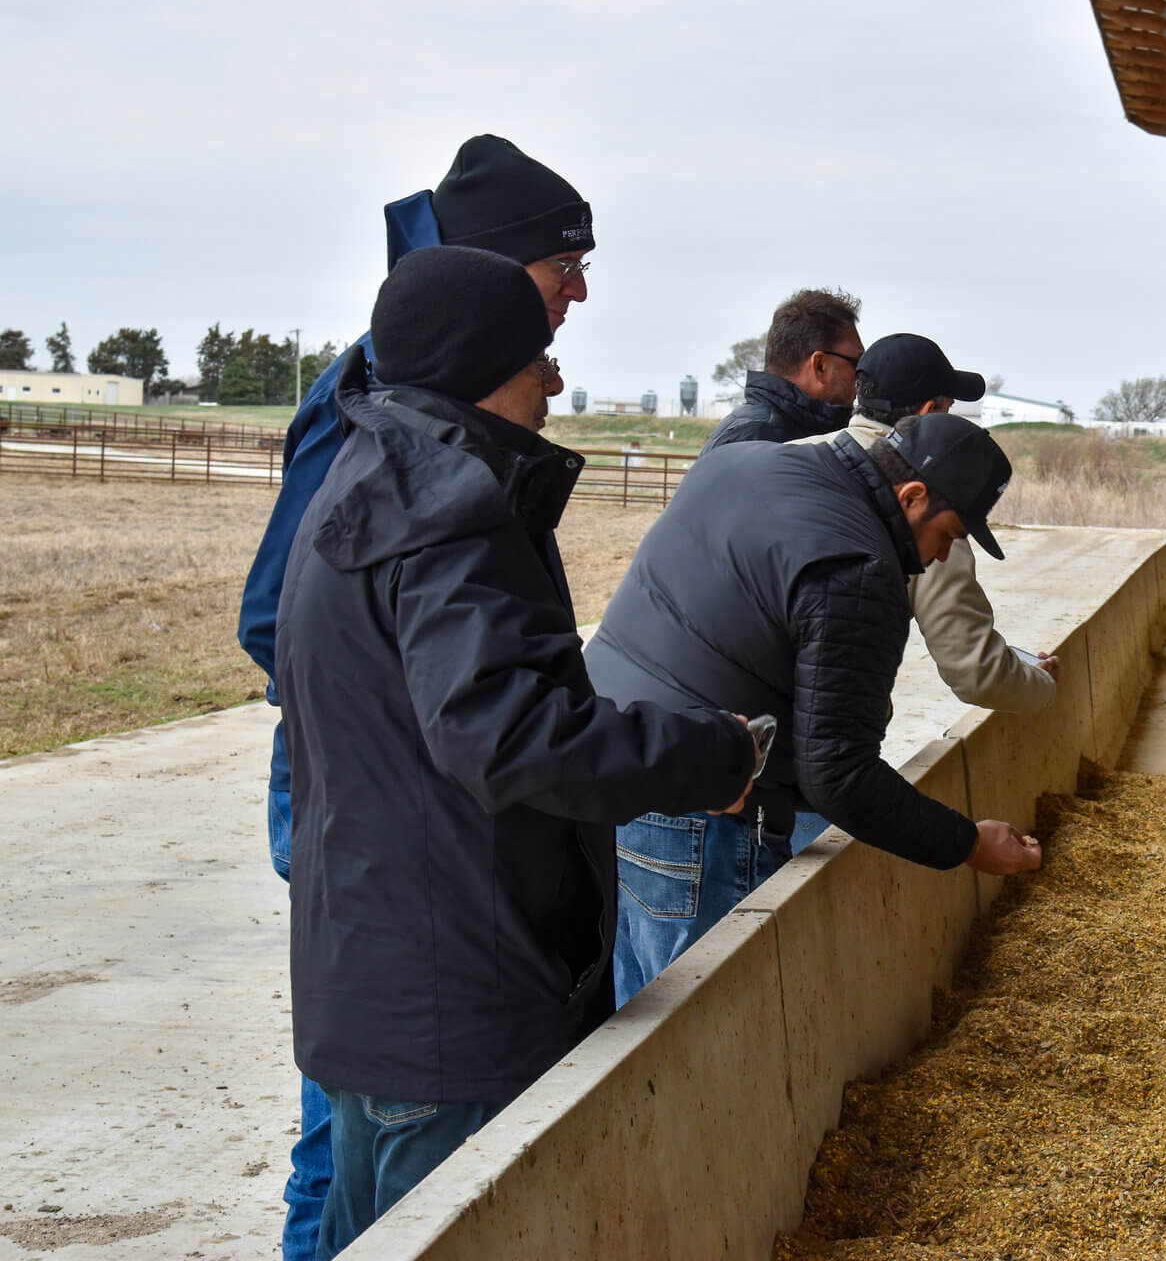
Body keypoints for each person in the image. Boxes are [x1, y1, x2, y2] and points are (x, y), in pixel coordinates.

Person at [276, 247, 756, 1259]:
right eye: (538, 351)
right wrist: (713, 758)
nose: (555, 376)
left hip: (374, 983)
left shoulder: (360, 481)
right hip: (457, 997)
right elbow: (513, 736)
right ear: (483, 360)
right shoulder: (447, 508)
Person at [233, 134, 594, 1261]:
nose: (578, 290)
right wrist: (406, 710)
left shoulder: (440, 395)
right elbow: (276, 610)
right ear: (488, 269)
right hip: (379, 806)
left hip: (403, 795)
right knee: (369, 1116)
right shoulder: (382, 399)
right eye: (562, 261)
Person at [585, 413, 1045, 1003]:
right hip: (705, 810)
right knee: (697, 1013)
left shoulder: (748, 460)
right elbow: (840, 774)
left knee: (634, 996)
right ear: (912, 496)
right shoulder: (860, 566)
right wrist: (968, 843)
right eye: (949, 535)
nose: (937, 557)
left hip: (611, 751)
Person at [790, 332, 1059, 717]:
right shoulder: (927, 506)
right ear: (929, 414)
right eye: (948, 409)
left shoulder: (790, 456)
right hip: (815, 721)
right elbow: (974, 668)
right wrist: (1043, 686)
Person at [698, 287, 863, 454]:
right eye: (856, 362)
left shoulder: (781, 431)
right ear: (819, 365)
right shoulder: (753, 438)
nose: (862, 373)